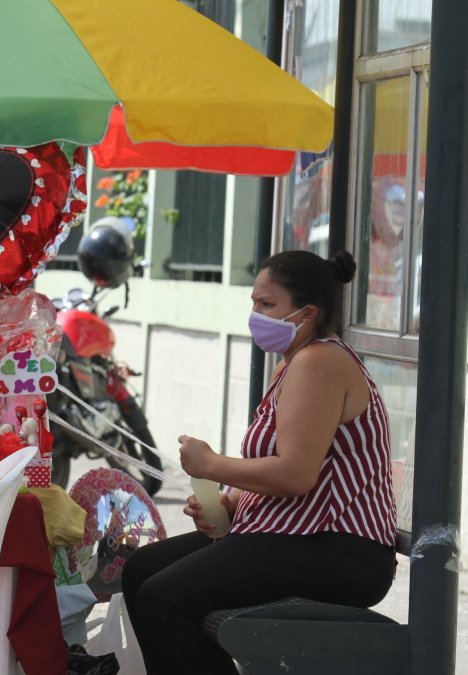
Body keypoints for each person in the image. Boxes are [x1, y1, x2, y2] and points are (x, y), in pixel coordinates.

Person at [120, 250, 396, 674]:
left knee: (164, 599)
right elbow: (276, 466)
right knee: (141, 570)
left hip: (337, 548)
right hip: (289, 535)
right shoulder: (290, 365)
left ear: (308, 313)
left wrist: (211, 465)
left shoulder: (320, 363)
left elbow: (295, 474)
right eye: (254, 303)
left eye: (267, 305)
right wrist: (229, 505)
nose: (255, 314)